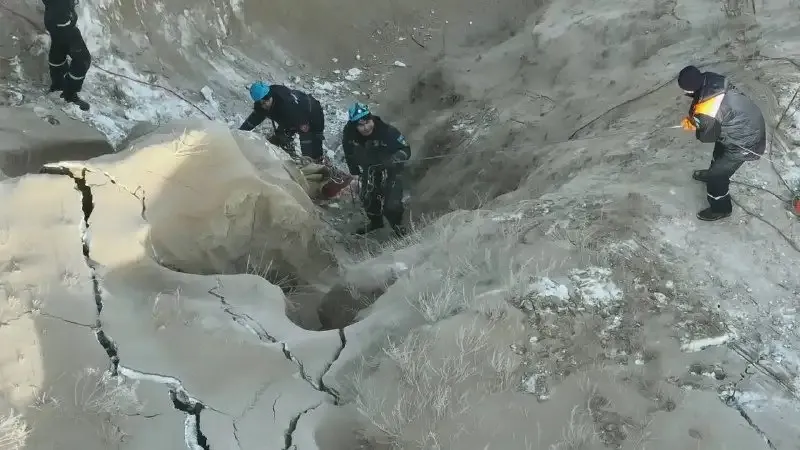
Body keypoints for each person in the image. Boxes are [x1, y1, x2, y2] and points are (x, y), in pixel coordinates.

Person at [678, 65, 766, 221]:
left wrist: (696, 124)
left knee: (717, 178)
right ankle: (713, 172)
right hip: (743, 124)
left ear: (690, 90)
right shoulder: (711, 79)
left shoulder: (707, 112)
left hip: (745, 142)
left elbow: (707, 137)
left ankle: (721, 209)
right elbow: (701, 103)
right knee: (719, 153)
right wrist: (695, 117)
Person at [342, 102, 410, 236]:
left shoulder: (387, 131)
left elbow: (406, 149)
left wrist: (396, 158)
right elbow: (349, 154)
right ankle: (376, 222)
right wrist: (355, 172)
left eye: (367, 122)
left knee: (392, 204)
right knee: (368, 199)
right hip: (370, 169)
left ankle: (397, 226)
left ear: (371, 119)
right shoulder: (349, 135)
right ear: (355, 126)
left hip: (391, 169)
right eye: (361, 125)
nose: (366, 127)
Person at [239, 81, 325, 162]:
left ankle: (319, 164)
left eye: (266, 100)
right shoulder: (262, 105)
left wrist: (307, 158)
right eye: (261, 103)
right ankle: (292, 158)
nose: (265, 104)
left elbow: (305, 133)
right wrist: (238, 134)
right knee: (277, 141)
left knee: (312, 155)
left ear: (271, 95)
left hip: (312, 114)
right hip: (289, 119)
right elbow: (252, 121)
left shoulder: (287, 106)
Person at [43, 0, 91, 111]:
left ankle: (57, 86)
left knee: (59, 47)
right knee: (83, 60)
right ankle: (68, 95)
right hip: (61, 18)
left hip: (54, 18)